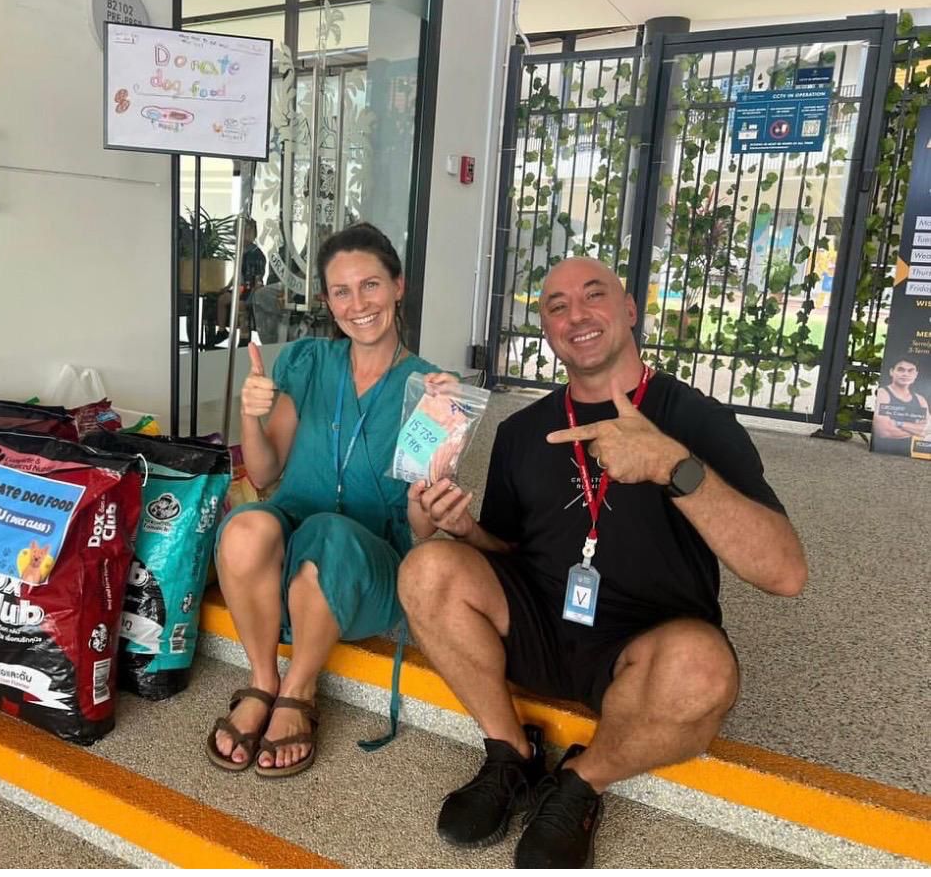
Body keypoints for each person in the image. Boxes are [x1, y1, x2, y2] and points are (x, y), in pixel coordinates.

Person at [398, 257, 807, 868]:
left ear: (630, 308)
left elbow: (785, 573)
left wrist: (673, 466)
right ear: (546, 328)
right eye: (557, 306)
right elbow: (508, 552)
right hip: (539, 622)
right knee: (427, 566)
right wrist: (465, 531)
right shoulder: (522, 430)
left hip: (640, 646)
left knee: (704, 671)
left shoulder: (696, 420)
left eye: (594, 295)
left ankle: (581, 780)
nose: (577, 315)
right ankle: (511, 754)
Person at [207, 222, 450, 778]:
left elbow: (423, 529)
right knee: (245, 527)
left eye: (371, 285)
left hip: (367, 568)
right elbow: (265, 473)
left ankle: (298, 691)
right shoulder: (310, 362)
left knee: (331, 535)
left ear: (398, 287)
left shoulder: (433, 390)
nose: (357, 304)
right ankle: (263, 680)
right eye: (341, 291)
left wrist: (430, 497)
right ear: (327, 300)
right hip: (291, 543)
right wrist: (250, 413)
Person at [214, 218, 267, 346]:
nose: (245, 235)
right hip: (241, 288)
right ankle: (222, 331)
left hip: (251, 289)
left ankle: (244, 337)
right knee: (222, 299)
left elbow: (258, 278)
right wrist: (228, 286)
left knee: (241, 304)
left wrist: (254, 293)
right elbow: (237, 273)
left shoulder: (256, 254)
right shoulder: (241, 252)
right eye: (242, 232)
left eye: (249, 232)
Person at [872, 354, 930, 456]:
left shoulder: (921, 400)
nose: (905, 374)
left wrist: (898, 423)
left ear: (916, 374)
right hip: (885, 451)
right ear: (891, 372)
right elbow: (884, 431)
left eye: (910, 371)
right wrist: (916, 430)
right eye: (901, 369)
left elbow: (927, 429)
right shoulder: (883, 393)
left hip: (912, 453)